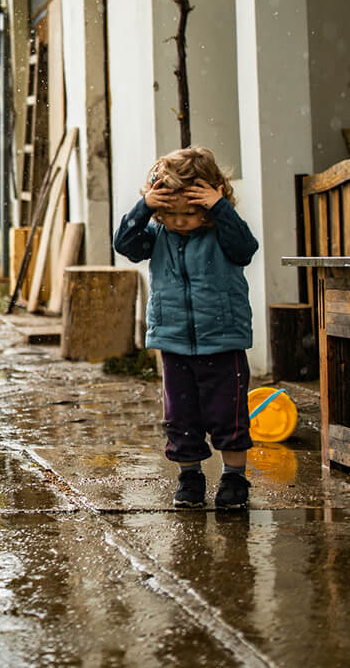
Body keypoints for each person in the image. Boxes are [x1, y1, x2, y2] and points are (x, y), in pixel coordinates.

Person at [113, 146, 259, 510]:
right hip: (174, 341)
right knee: (181, 417)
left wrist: (220, 207)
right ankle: (190, 476)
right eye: (170, 213)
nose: (180, 221)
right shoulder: (157, 235)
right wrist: (145, 206)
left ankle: (233, 478)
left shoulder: (224, 232)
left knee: (230, 414)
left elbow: (245, 249)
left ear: (211, 200)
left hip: (222, 341)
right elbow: (124, 245)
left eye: (190, 213)